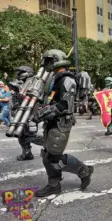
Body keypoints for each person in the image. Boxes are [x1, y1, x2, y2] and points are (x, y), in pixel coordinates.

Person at [33, 49, 94, 197]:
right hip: (52, 121)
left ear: (55, 60)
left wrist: (44, 112)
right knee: (47, 155)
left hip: (61, 122)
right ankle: (54, 184)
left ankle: (83, 170)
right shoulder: (55, 78)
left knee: (54, 157)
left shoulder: (67, 79)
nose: (45, 64)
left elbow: (65, 105)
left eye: (48, 60)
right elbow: (49, 100)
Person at [9, 66, 44, 161]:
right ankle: (27, 153)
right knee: (21, 134)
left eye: (21, 72)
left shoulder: (35, 84)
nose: (19, 74)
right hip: (20, 112)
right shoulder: (20, 83)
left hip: (30, 112)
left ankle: (49, 145)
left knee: (31, 135)